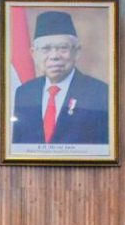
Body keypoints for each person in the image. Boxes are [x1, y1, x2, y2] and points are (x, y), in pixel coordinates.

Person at [11, 10, 109, 146]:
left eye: (63, 48)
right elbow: (18, 145)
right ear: (34, 53)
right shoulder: (24, 92)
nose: (54, 56)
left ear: (77, 52)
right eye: (46, 49)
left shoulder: (99, 92)